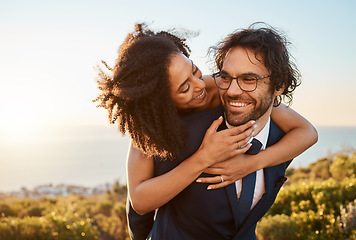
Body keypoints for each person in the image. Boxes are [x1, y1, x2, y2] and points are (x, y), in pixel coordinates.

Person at [94, 23, 317, 239]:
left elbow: (302, 129)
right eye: (184, 88)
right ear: (161, 102)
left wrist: (251, 163)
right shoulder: (152, 130)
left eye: (194, 71)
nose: (199, 85)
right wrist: (204, 157)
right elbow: (139, 203)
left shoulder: (219, 86)